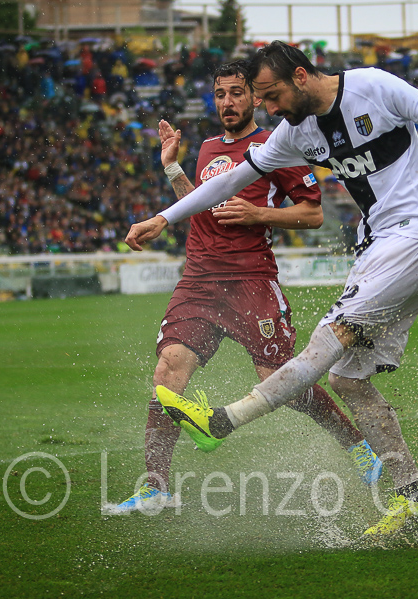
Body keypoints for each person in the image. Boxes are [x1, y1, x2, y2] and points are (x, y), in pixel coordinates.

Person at [124, 42, 418, 535]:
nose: (269, 108)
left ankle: (222, 421)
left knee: (327, 341)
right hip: (380, 248)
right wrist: (163, 217)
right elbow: (227, 183)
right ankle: (415, 496)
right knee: (346, 380)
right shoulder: (294, 131)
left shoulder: (373, 86)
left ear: (300, 76)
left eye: (270, 95)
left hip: (414, 238)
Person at [112, 61, 382, 514]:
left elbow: (312, 213)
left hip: (251, 279)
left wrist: (259, 215)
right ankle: (155, 487)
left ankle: (357, 446)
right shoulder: (207, 148)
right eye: (220, 94)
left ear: (255, 98)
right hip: (199, 280)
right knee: (167, 375)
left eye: (237, 93)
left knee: (278, 381)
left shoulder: (277, 146)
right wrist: (172, 168)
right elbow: (199, 206)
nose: (228, 102)